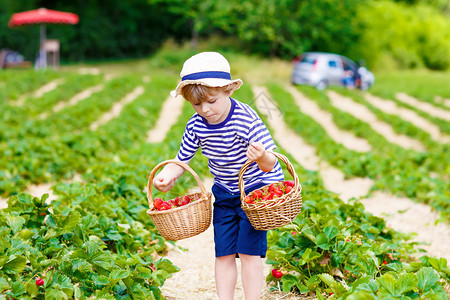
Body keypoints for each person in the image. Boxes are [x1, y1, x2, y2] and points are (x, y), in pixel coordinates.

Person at [153, 51, 284, 300]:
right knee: (223, 253)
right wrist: (167, 176)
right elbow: (182, 159)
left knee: (248, 252)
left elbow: (270, 163)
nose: (205, 109)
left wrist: (260, 156)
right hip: (224, 192)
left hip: (254, 191)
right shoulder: (196, 124)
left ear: (228, 90)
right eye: (196, 104)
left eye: (211, 101)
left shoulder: (246, 118)